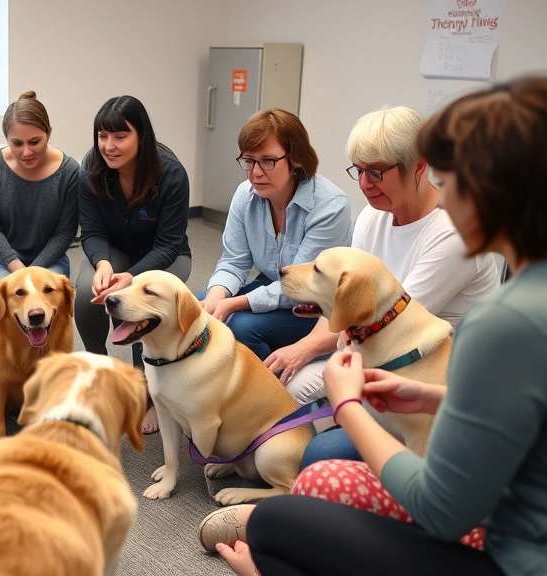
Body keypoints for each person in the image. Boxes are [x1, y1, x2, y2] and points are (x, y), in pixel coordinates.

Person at [204, 76, 547, 576]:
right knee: (314, 477)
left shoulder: (504, 322)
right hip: (459, 446)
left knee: (283, 517)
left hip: (507, 551)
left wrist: (346, 403)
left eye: (452, 185)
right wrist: (427, 397)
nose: (445, 200)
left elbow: (441, 509)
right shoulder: (526, 296)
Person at [268, 106, 499, 466]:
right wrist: (314, 346)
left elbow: (385, 322)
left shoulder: (455, 233)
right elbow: (342, 302)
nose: (363, 184)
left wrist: (311, 350)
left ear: (419, 165)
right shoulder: (374, 215)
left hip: (430, 380)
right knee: (292, 391)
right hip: (376, 353)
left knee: (319, 454)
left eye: (376, 172)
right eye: (358, 170)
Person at [73, 94, 193, 434]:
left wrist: (132, 278)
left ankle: (149, 395)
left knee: (141, 303)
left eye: (120, 136)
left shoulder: (170, 174)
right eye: (102, 136)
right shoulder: (92, 167)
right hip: (113, 254)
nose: (109, 146)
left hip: (165, 256)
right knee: (85, 294)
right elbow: (92, 232)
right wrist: (102, 266)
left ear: (141, 135)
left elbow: (169, 244)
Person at [195, 108, 353, 362]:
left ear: (297, 158)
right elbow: (234, 261)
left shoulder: (330, 206)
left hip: (318, 306)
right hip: (271, 285)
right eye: (248, 160)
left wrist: (233, 303)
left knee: (241, 326)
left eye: (268, 161)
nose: (255, 172)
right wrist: (216, 296)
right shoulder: (245, 194)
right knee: (193, 306)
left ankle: (266, 395)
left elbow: (301, 287)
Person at [0, 90, 80, 291]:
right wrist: (19, 270)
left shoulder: (70, 172)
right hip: (3, 259)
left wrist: (33, 273)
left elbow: (64, 232)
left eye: (35, 142)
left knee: (44, 301)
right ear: (7, 138)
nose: (26, 152)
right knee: (7, 298)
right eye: (17, 143)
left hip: (51, 260)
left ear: (49, 133)